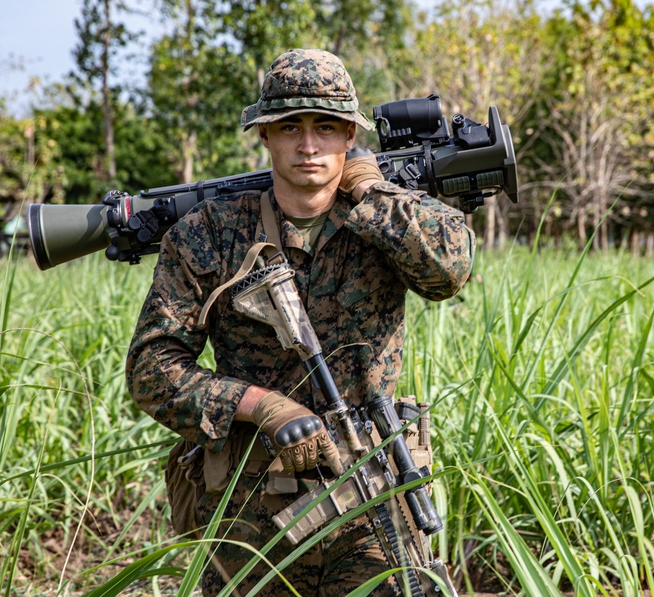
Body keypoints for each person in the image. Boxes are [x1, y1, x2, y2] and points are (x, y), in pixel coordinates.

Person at [126, 48, 475, 596]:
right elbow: (151, 370)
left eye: (327, 128)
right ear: (264, 135)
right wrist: (261, 406)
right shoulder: (210, 233)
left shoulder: (382, 217)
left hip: (372, 494)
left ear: (349, 137)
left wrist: (372, 190)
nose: (309, 145)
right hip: (250, 508)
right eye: (290, 126)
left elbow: (450, 271)